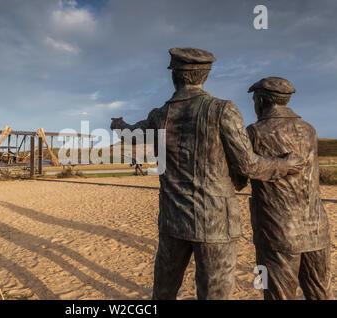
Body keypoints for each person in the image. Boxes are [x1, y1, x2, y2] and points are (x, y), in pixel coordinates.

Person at [110, 47, 305, 300]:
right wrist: (284, 166)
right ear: (205, 75)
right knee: (214, 294)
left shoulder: (160, 116)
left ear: (175, 76)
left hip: (172, 221)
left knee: (164, 291)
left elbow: (130, 133)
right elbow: (249, 165)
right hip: (214, 223)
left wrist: (117, 124)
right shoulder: (222, 110)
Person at [243, 77, 332, 300]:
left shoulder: (254, 132)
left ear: (261, 100)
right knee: (320, 293)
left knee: (278, 294)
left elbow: (242, 174)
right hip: (316, 228)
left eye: (254, 100)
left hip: (277, 232)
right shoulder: (308, 130)